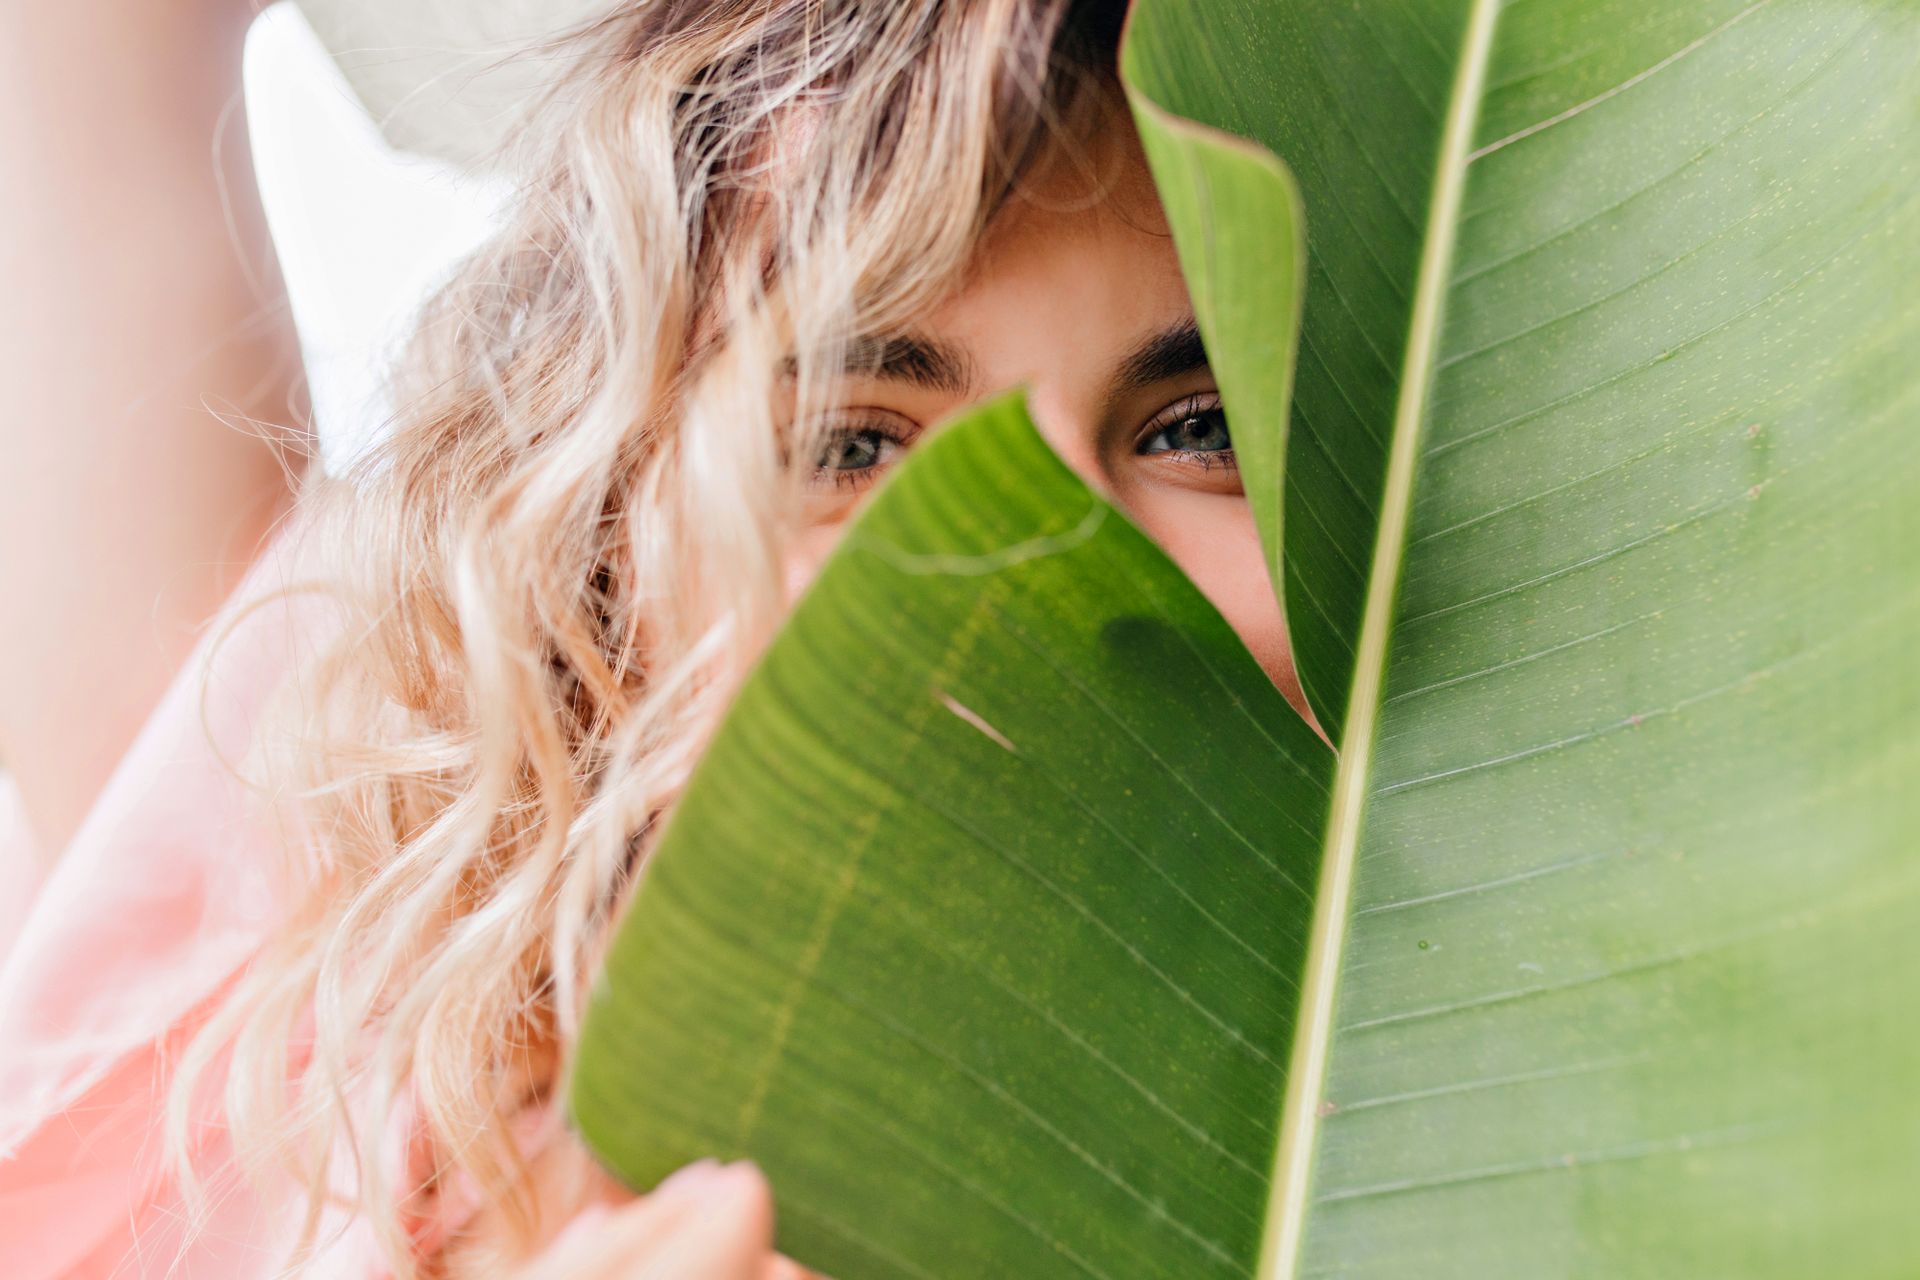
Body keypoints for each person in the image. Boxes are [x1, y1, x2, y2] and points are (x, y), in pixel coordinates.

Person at [0, 1, 1306, 1276]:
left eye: (1200, 430)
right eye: (850, 445)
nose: (1047, 562)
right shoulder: (310, 1061)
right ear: (603, 570)